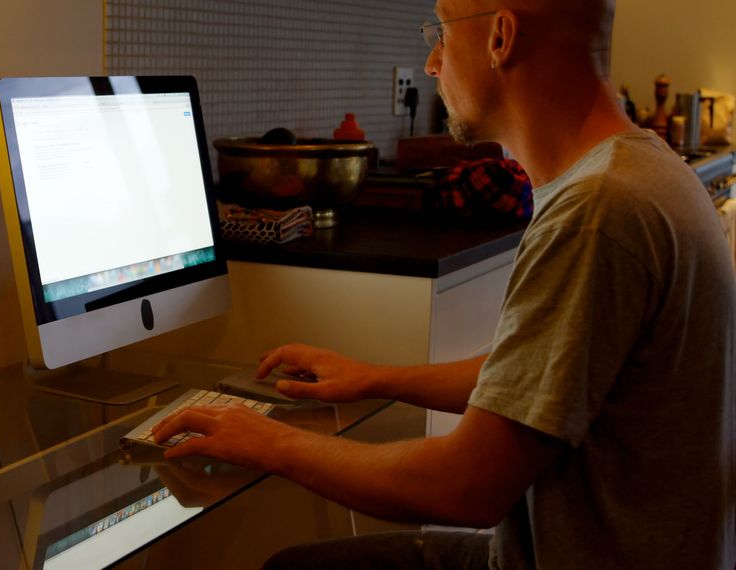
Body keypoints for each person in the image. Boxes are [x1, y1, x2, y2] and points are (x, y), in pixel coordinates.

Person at [151, 0, 736, 568]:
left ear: (499, 38)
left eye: (442, 33)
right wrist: (377, 378)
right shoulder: (646, 169)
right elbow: (539, 373)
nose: (432, 63)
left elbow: (465, 488)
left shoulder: (598, 212)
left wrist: (269, 443)